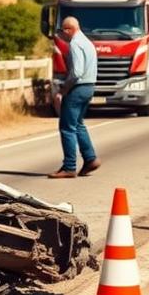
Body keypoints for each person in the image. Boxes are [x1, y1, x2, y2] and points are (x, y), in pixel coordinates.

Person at [49, 16, 101, 178]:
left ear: (68, 30)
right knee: (78, 125)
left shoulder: (75, 44)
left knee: (67, 127)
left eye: (61, 31)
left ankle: (69, 166)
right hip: (89, 86)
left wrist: (64, 89)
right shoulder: (88, 43)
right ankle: (90, 159)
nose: (61, 36)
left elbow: (77, 72)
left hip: (77, 88)